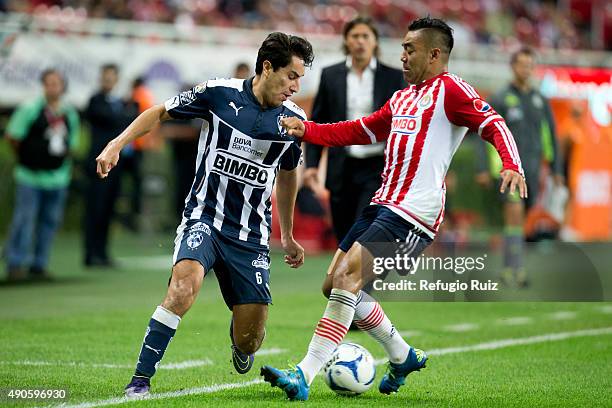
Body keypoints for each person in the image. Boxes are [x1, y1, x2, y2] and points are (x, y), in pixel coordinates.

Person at [261, 17, 527, 401]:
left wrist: (511, 163)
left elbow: (492, 122)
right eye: (402, 48)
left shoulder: (451, 90)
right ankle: (402, 356)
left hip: (414, 214)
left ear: (435, 54)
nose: (402, 55)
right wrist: (310, 131)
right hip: (381, 203)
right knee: (333, 284)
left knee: (347, 279)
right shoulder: (403, 97)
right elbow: (361, 129)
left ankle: (303, 373)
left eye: (409, 49)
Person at [94, 32, 313, 398]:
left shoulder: (293, 121)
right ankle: (140, 381)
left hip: (251, 236)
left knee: (251, 340)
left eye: (300, 78)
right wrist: (116, 144)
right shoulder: (218, 94)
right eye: (292, 76)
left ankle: (239, 340)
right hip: (204, 219)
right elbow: (159, 112)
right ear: (267, 67)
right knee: (182, 289)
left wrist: (287, 235)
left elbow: (289, 175)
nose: (296, 86)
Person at [305, 16, 406, 243]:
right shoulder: (330, 75)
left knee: (368, 232)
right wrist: (311, 165)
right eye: (355, 36)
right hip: (342, 166)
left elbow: (402, 124)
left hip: (377, 167)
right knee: (344, 234)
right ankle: (349, 277)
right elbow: (319, 121)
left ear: (375, 42)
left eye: (365, 36)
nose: (360, 41)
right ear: (346, 41)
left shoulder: (394, 77)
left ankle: (366, 278)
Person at [475, 47, 562, 287]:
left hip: (533, 170)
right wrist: (483, 167)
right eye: (522, 64)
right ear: (513, 67)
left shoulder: (539, 100)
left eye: (530, 65)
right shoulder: (500, 98)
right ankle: (515, 270)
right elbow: (483, 133)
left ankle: (511, 266)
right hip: (507, 170)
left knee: (520, 219)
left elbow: (551, 135)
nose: (526, 69)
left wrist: (556, 170)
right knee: (514, 215)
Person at [3, 68, 80, 282]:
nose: (53, 87)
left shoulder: (69, 113)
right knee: (24, 219)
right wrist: (28, 157)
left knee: (49, 221)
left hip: (57, 177)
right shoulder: (31, 108)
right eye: (49, 83)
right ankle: (15, 263)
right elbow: (13, 136)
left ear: (63, 86)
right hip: (30, 176)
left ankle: (39, 264)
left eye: (57, 83)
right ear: (43, 85)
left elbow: (72, 144)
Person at [83, 64, 139, 267]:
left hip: (115, 165)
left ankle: (103, 253)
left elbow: (130, 117)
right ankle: (91, 253)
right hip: (98, 164)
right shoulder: (95, 101)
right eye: (105, 78)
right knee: (95, 209)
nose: (108, 81)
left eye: (111, 78)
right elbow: (117, 119)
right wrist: (125, 114)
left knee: (108, 209)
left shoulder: (118, 103)